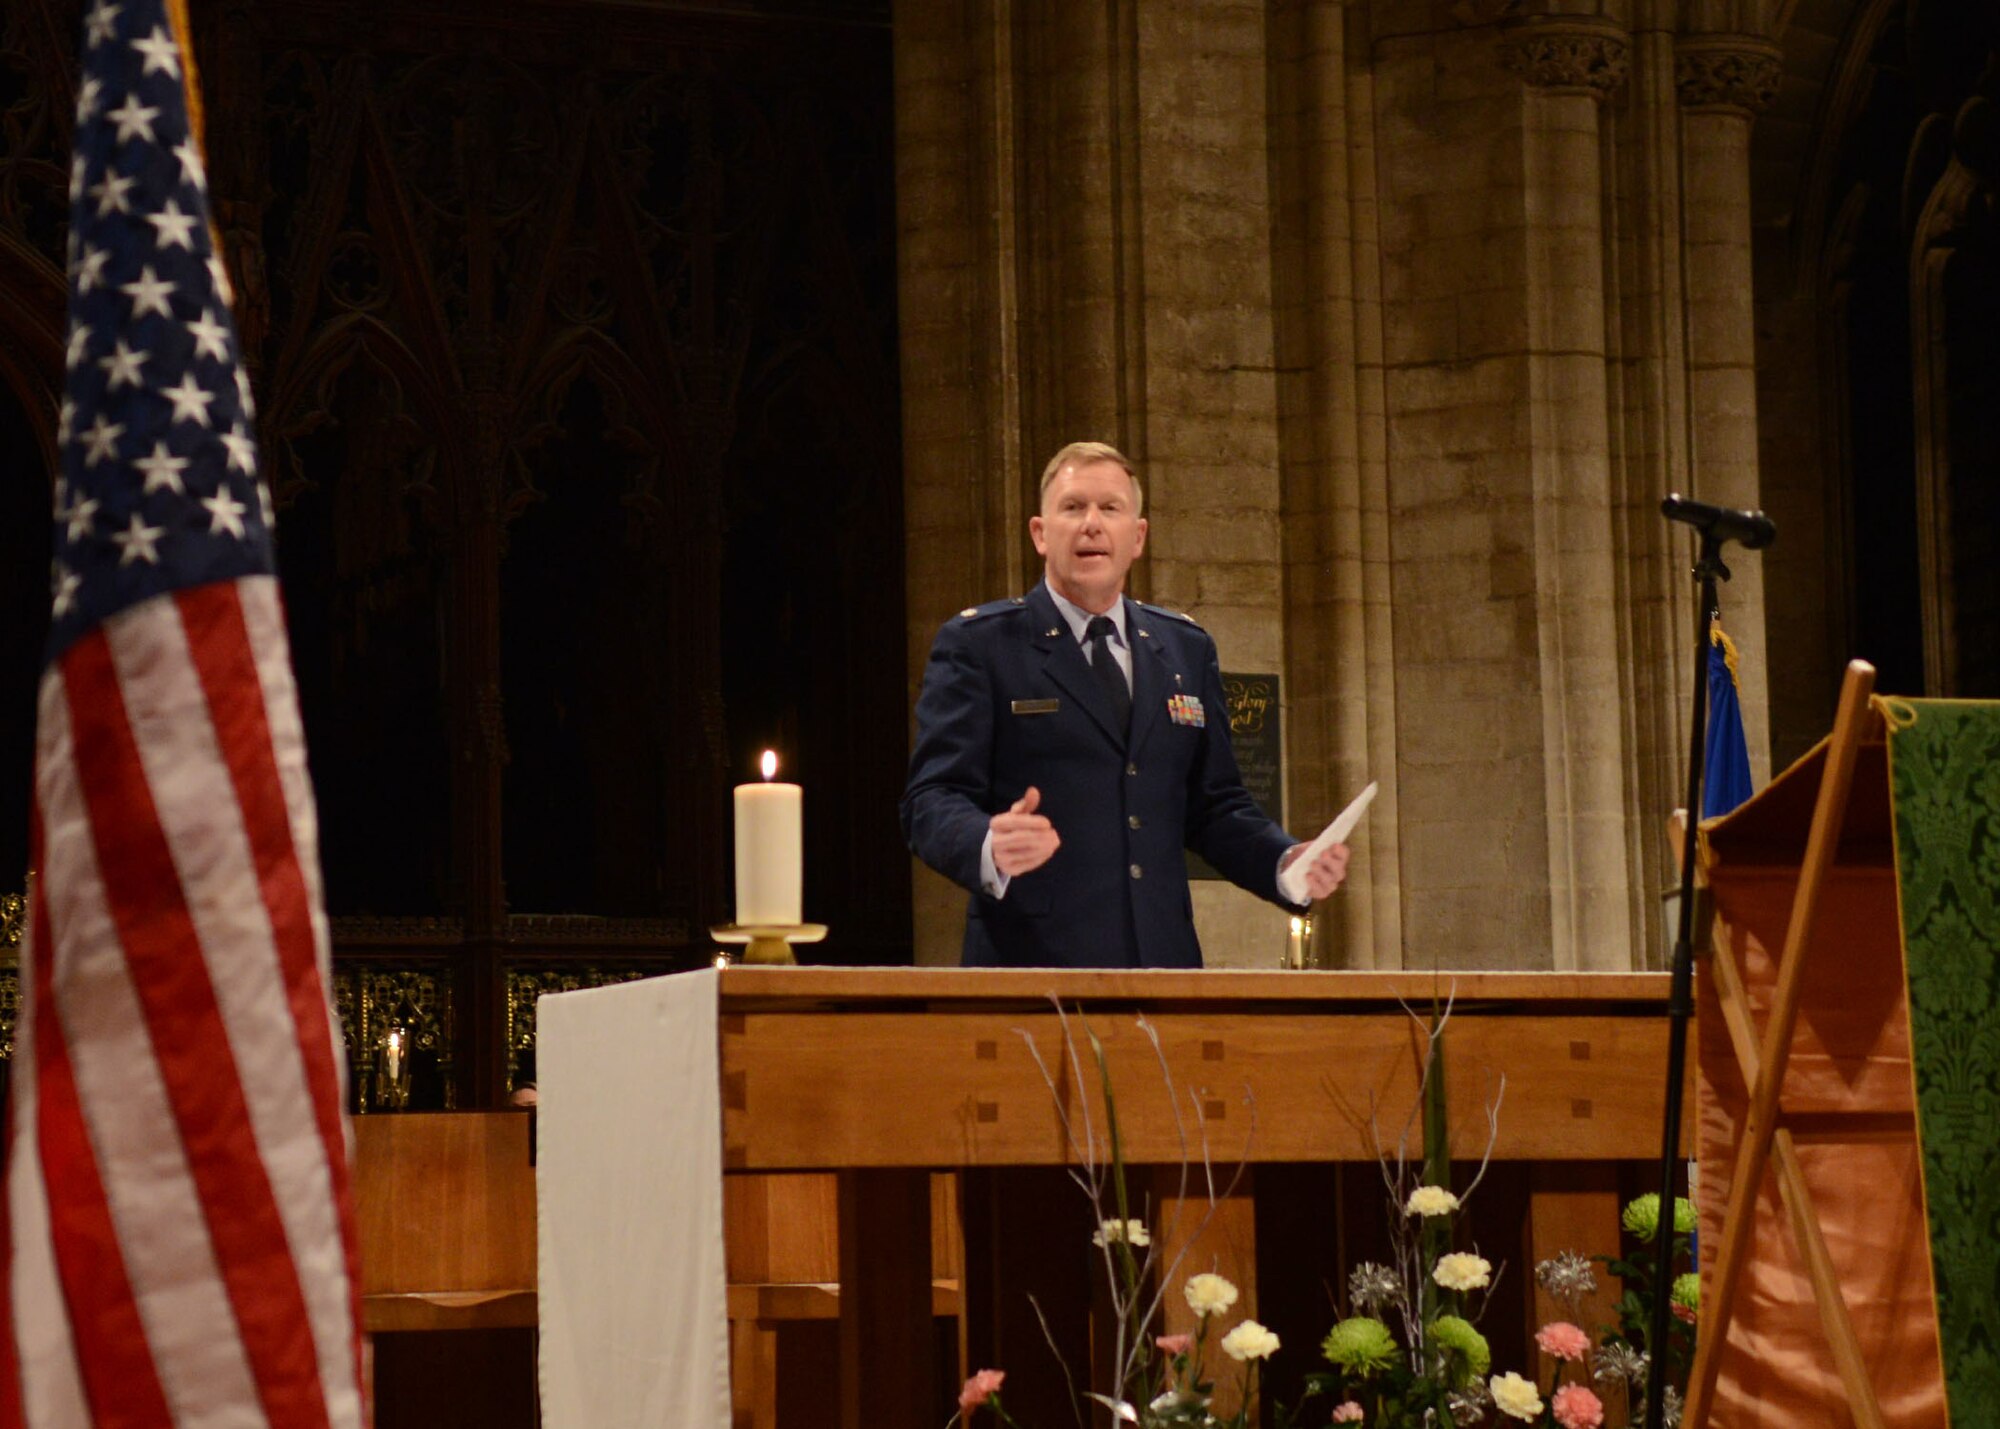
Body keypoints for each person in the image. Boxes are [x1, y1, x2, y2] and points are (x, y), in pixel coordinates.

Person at [901, 441, 1350, 968]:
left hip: (1164, 966)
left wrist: (1284, 860)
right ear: (1040, 534)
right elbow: (931, 799)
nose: (1091, 523)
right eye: (1073, 507)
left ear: (1137, 537)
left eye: (1110, 508)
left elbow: (1216, 806)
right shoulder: (982, 644)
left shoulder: (1185, 648)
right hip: (1030, 970)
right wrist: (985, 841)